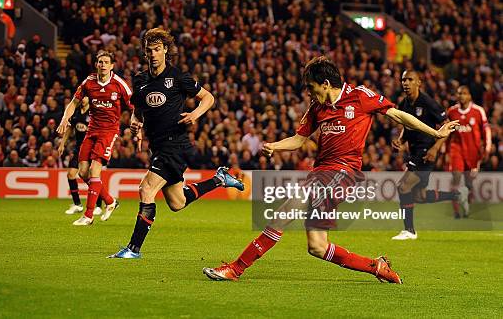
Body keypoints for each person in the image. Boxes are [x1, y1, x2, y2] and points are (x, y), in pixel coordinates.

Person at [203, 57, 459, 283]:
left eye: (312, 88)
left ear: (325, 83)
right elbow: (299, 139)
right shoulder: (317, 108)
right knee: (317, 246)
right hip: (322, 171)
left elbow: (399, 115)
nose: (310, 94)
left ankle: (235, 269)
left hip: (344, 171)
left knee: (286, 209)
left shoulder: (360, 96)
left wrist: (435, 132)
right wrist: (275, 146)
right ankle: (377, 267)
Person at [108, 28, 245, 259]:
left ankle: (133, 249)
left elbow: (209, 98)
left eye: (158, 49)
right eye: (149, 50)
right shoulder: (140, 81)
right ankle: (219, 179)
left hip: (175, 145)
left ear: (165, 51)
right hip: (158, 147)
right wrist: (135, 124)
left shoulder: (178, 77)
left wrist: (195, 114)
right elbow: (138, 111)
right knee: (177, 202)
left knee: (146, 188)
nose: (153, 54)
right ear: (144, 52)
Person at [57, 50, 131, 225]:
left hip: (108, 131)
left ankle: (88, 215)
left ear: (112, 66)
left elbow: (134, 105)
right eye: (100, 62)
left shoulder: (119, 84)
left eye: (106, 62)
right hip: (91, 131)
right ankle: (111, 201)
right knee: (82, 172)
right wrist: (65, 118)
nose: (103, 65)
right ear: (96, 64)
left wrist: (138, 126)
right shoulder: (89, 82)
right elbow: (74, 102)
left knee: (94, 171)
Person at [391, 70, 468, 240]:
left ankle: (409, 231)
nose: (406, 83)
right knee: (420, 196)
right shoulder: (404, 104)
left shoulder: (428, 103)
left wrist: (435, 149)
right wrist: (401, 140)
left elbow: (447, 126)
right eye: (403, 80)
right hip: (414, 151)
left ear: (419, 82)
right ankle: (457, 195)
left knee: (403, 187)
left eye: (410, 79)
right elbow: (407, 125)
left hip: (426, 152)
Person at [446, 86, 492, 218]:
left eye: (464, 93)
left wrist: (488, 147)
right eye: (459, 93)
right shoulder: (452, 112)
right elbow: (446, 132)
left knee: (469, 182)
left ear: (470, 96)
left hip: (473, 153)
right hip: (456, 150)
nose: (461, 96)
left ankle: (466, 203)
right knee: (456, 177)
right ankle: (456, 211)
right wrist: (444, 150)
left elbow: (486, 130)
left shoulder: (478, 111)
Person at [58, 95, 103, 215]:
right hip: (79, 148)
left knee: (90, 176)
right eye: (82, 97)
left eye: (85, 97)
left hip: (91, 148)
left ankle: (98, 204)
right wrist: (62, 144)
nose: (83, 99)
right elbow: (70, 129)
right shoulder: (76, 112)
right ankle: (77, 204)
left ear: (89, 99)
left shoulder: (94, 112)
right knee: (71, 174)